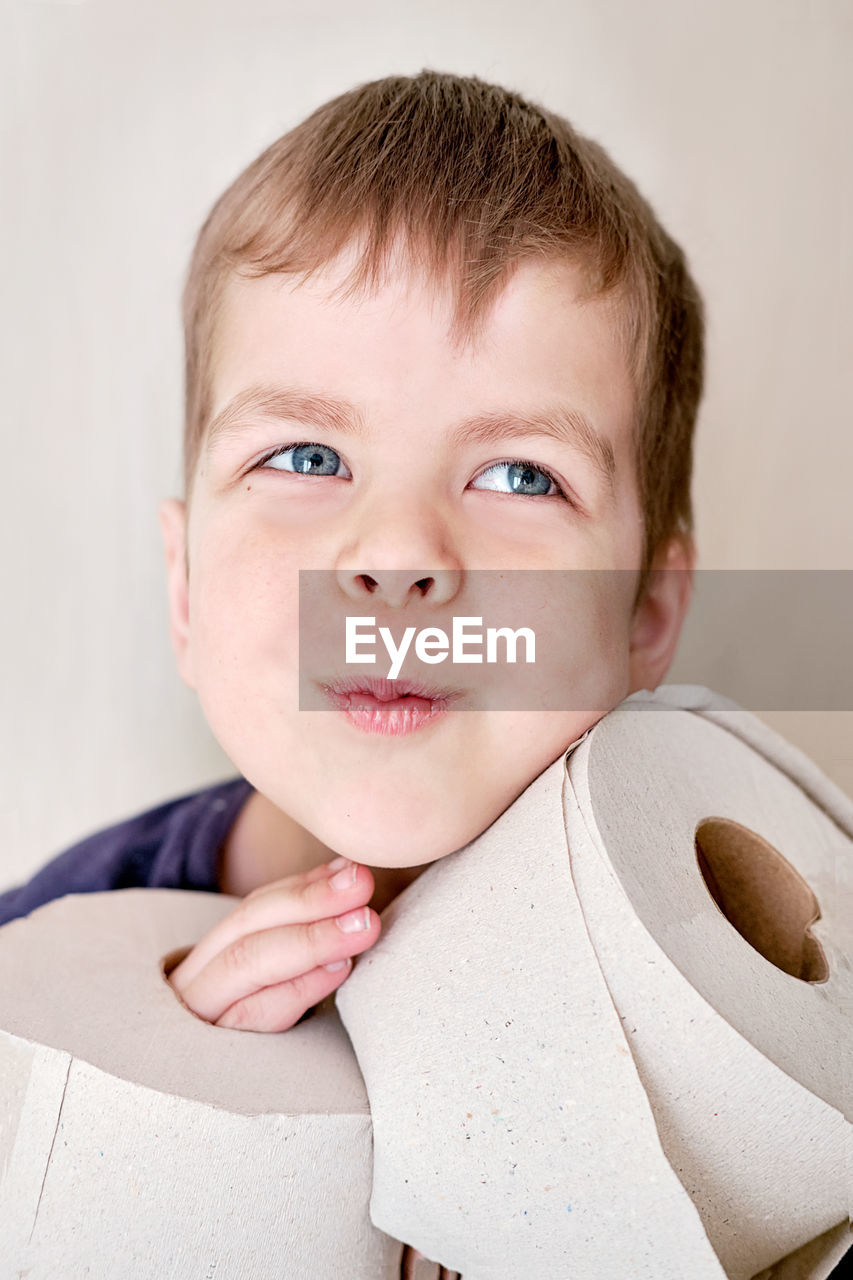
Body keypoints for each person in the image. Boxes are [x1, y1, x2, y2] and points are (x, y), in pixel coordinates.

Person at [0, 69, 702, 1038]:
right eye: (308, 456)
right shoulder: (40, 948)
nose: (399, 552)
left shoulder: (719, 976)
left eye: (519, 477)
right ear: (187, 593)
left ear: (646, 613)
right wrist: (133, 1115)